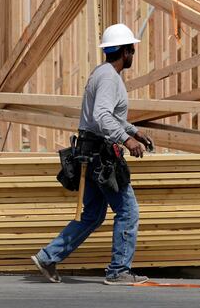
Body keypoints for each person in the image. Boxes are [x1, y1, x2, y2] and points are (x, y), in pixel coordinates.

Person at [31, 23, 154, 286]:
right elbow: (101, 116)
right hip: (101, 156)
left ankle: (48, 257)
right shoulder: (110, 78)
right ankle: (118, 270)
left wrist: (134, 131)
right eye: (132, 48)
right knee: (128, 211)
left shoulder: (102, 73)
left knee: (93, 215)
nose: (133, 52)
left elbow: (109, 116)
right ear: (125, 51)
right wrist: (127, 140)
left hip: (91, 154)